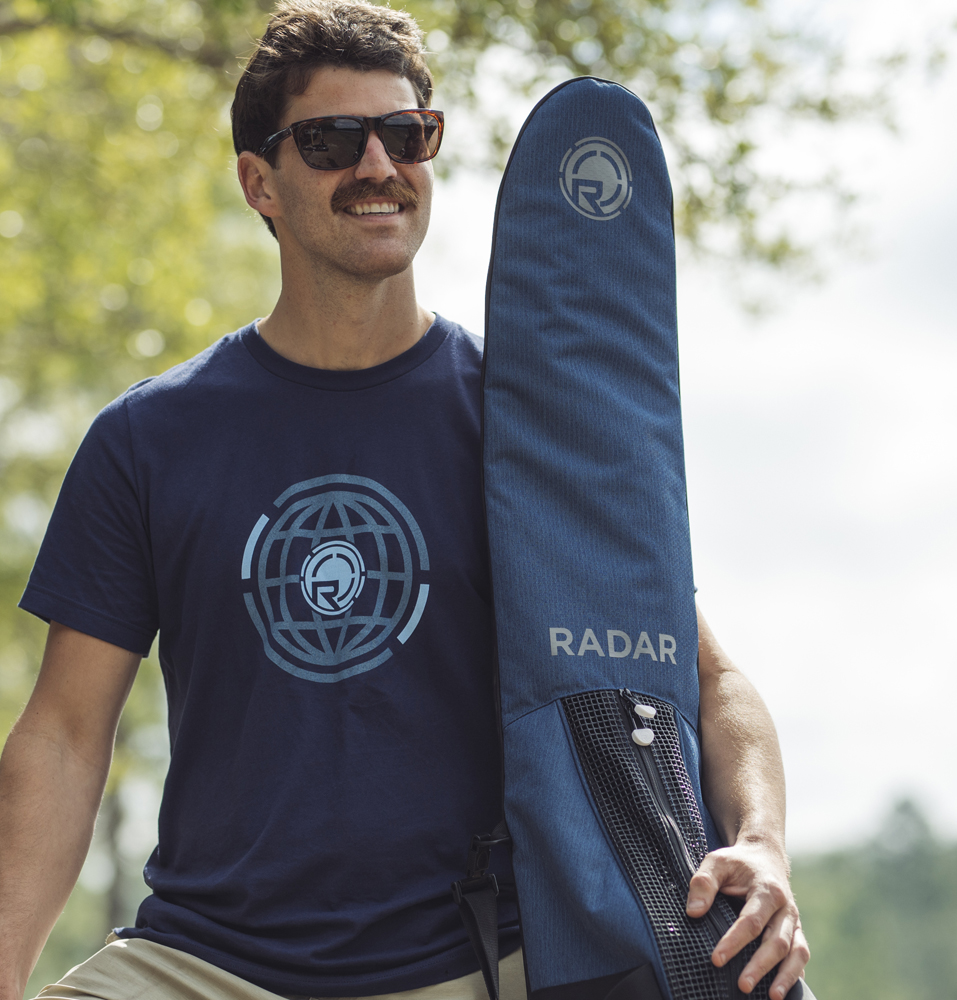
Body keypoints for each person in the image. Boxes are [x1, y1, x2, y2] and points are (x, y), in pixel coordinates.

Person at [0, 2, 810, 999]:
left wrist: (762, 843)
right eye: (333, 140)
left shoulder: (527, 425)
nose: (378, 165)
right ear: (260, 181)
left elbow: (706, 678)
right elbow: (64, 736)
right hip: (207, 961)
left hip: (481, 958)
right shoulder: (148, 438)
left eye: (407, 134)